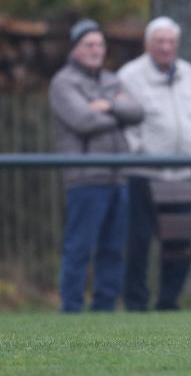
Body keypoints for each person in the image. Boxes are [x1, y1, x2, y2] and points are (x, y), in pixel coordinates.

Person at [118, 17, 191, 311]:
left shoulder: (190, 73)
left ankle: (168, 301)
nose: (166, 47)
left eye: (171, 41)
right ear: (148, 44)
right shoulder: (129, 75)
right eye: (160, 41)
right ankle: (135, 303)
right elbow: (123, 121)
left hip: (183, 173)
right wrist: (137, 150)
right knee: (138, 242)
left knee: (181, 241)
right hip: (144, 173)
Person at [49, 19, 144, 312]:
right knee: (80, 248)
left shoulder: (111, 79)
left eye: (100, 45)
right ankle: (72, 309)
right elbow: (83, 120)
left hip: (118, 176)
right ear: (75, 49)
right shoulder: (63, 83)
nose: (95, 50)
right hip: (86, 177)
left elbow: (137, 112)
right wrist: (118, 111)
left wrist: (108, 106)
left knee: (113, 250)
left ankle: (104, 309)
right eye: (88, 45)